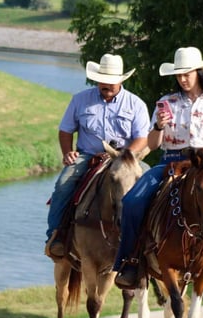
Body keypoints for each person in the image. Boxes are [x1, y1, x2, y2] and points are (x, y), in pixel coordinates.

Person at [112, 47, 203, 300]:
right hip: (172, 161)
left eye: (187, 74)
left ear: (198, 72)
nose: (183, 79)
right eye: (179, 75)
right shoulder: (166, 102)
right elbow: (153, 144)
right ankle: (130, 263)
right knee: (132, 202)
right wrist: (158, 126)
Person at [45, 53, 151, 258]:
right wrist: (68, 153)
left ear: (121, 80)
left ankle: (145, 238)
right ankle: (56, 236)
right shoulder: (80, 100)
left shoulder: (135, 104)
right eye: (103, 80)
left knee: (149, 186)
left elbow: (143, 138)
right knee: (63, 184)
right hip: (88, 155)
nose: (107, 85)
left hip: (124, 158)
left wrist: (126, 155)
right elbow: (65, 130)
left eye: (111, 81)